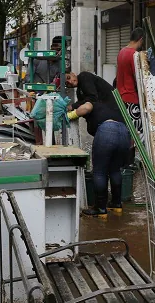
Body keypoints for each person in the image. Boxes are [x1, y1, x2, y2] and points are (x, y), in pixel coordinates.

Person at [66, 72, 131, 218]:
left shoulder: (91, 100)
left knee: (100, 171)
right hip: (124, 132)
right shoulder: (111, 108)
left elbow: (86, 108)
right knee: (114, 170)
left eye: (68, 78)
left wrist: (71, 114)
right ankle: (116, 204)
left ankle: (100, 208)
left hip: (107, 131)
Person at [116, 27, 145, 142]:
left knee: (125, 132)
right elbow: (138, 77)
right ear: (141, 39)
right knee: (136, 135)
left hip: (121, 98)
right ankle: (130, 159)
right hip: (131, 99)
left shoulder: (121, 51)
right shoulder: (135, 55)